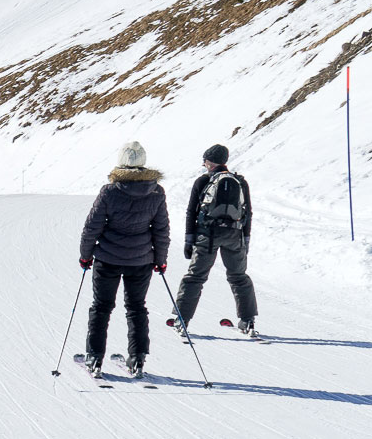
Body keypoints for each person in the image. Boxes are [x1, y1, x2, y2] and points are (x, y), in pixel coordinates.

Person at [78, 141, 170, 378]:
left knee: (101, 307)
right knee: (136, 308)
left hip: (107, 259)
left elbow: (92, 227)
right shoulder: (156, 192)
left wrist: (85, 255)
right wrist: (160, 260)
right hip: (141, 261)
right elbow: (161, 230)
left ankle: (94, 357)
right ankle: (138, 358)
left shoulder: (110, 191)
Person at [171, 144, 258, 337]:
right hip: (234, 235)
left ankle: (182, 319)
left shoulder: (203, 181)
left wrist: (188, 240)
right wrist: (246, 240)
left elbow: (191, 212)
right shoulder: (240, 181)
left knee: (195, 277)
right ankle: (248, 320)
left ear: (210, 162)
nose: (204, 164)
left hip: (207, 235)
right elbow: (248, 213)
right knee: (239, 277)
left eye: (205, 161)